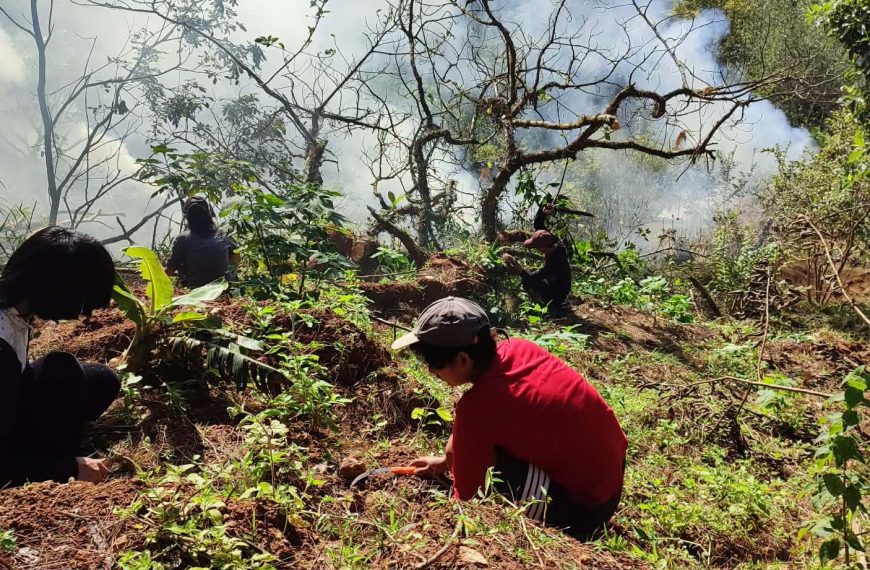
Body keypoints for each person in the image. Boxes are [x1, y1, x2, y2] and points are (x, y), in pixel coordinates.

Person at [393, 297, 627, 540]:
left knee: (494, 475)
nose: (431, 371)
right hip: (612, 475)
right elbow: (473, 434)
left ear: (462, 360)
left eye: (433, 363)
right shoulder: (519, 348)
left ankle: (578, 526)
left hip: (587, 510)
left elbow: (468, 499)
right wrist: (446, 461)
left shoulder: (477, 409)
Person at [0, 227, 121, 488]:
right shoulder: (2, 353)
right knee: (62, 373)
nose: (83, 314)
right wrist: (66, 468)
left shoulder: (15, 312)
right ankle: (49, 459)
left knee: (96, 379)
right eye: (82, 303)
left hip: (12, 399)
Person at [503, 204, 572, 311]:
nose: (535, 249)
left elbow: (533, 277)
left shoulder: (557, 261)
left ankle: (548, 306)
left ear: (543, 248)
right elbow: (538, 225)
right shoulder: (554, 241)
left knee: (527, 281)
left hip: (558, 293)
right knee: (530, 273)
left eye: (536, 247)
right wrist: (542, 212)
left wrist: (519, 269)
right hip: (553, 281)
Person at [166, 196, 239, 288]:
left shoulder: (183, 238)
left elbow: (169, 271)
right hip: (224, 289)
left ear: (187, 216)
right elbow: (237, 256)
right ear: (208, 213)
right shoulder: (225, 233)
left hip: (195, 292)